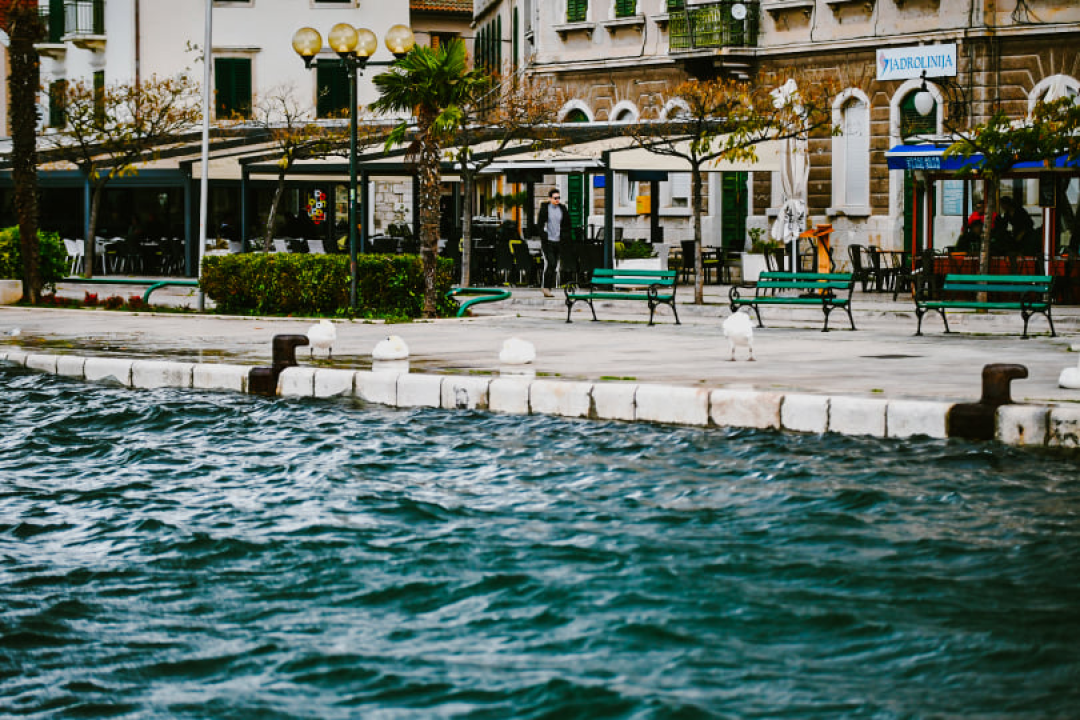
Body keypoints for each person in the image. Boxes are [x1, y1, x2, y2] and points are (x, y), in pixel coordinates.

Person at [536, 188, 571, 297]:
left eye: (558, 198)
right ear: (550, 198)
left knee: (554, 264)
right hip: (548, 241)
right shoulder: (545, 209)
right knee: (551, 263)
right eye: (555, 198)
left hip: (558, 241)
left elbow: (567, 223)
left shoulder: (562, 209)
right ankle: (546, 287)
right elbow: (540, 224)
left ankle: (548, 288)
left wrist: (565, 236)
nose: (557, 200)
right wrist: (543, 236)